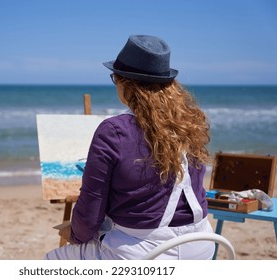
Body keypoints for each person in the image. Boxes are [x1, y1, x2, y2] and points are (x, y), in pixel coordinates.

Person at [45, 35, 214, 260]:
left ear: (126, 83)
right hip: (201, 246)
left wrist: (75, 234)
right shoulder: (189, 123)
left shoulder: (114, 131)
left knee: (51, 261)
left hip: (144, 253)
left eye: (115, 78)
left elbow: (90, 214)